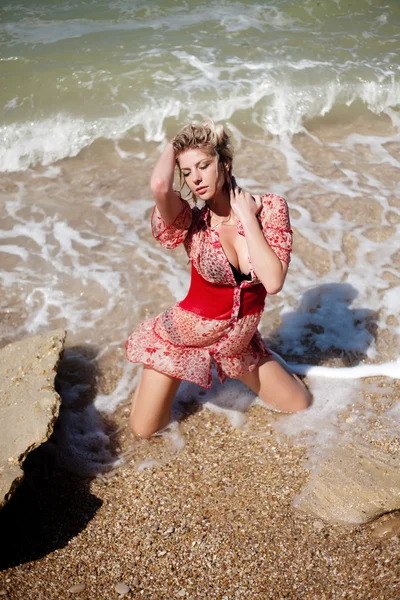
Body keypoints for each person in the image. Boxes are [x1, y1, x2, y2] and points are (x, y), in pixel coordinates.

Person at [126, 121, 311, 438]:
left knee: (300, 404)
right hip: (182, 338)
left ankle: (267, 356)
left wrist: (248, 219)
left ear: (224, 164)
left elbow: (273, 281)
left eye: (204, 165)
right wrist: (177, 141)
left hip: (237, 345)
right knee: (144, 430)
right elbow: (159, 185)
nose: (195, 178)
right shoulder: (189, 221)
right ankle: (157, 378)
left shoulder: (269, 209)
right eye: (186, 172)